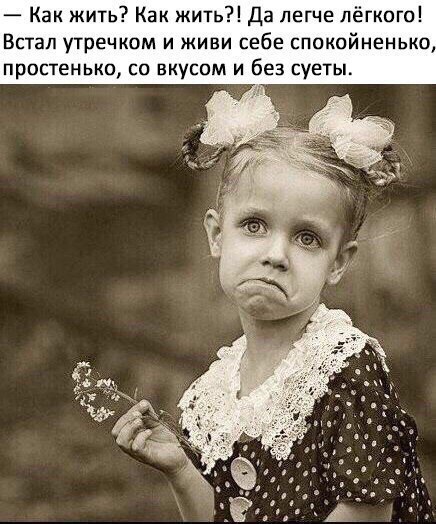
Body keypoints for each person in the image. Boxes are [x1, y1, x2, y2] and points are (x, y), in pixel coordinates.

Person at [111, 86, 434, 522]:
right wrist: (181, 471)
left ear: (338, 262)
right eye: (254, 225)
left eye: (307, 238)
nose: (276, 255)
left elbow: (367, 514)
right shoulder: (214, 395)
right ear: (216, 235)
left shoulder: (344, 370)